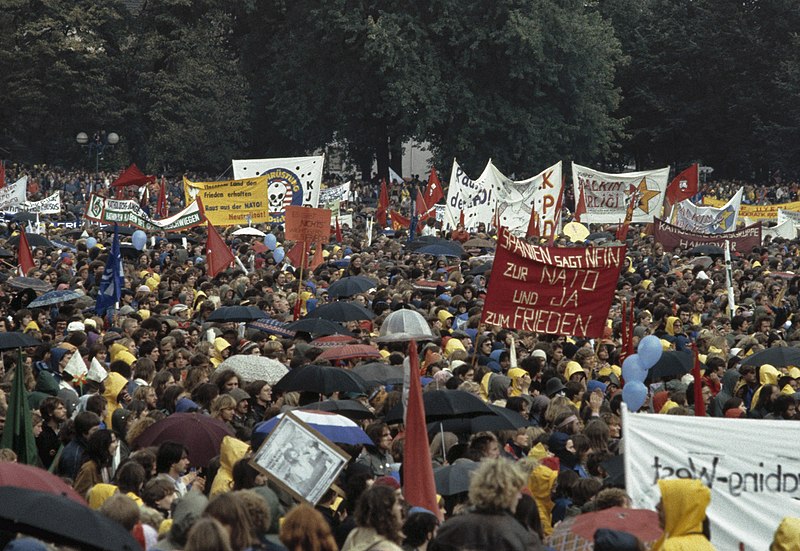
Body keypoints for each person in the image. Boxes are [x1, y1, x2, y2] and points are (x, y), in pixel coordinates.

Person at [430, 458, 545, 551]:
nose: (520, 496)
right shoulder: (521, 536)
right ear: (508, 492)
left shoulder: (449, 529)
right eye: (517, 491)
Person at [653, 479, 715, 550]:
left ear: (679, 508)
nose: (657, 506)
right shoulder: (706, 546)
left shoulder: (672, 547)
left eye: (663, 502)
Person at [341, 485, 404, 551]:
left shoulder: (354, 535)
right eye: (397, 503)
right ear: (388, 511)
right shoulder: (389, 548)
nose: (400, 508)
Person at [73, 429, 119, 498]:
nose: (116, 445)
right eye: (112, 442)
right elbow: (79, 495)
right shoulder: (88, 468)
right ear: (103, 445)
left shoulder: (106, 464)